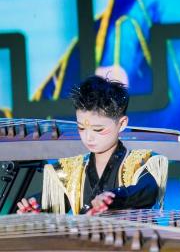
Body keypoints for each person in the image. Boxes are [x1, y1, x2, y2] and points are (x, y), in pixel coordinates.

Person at [17, 75, 168, 215]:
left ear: (122, 124)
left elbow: (147, 190)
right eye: (81, 128)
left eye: (98, 129)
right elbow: (54, 199)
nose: (88, 137)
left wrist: (113, 197)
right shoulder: (74, 170)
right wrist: (35, 206)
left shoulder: (139, 163)